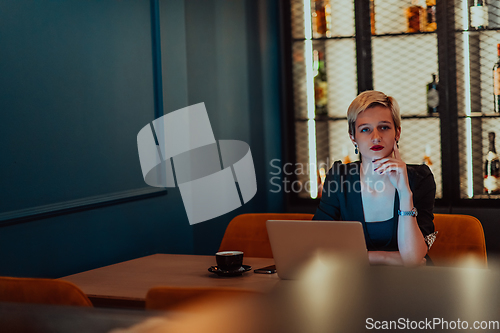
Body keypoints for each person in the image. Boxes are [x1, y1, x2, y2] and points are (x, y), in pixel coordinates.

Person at [313, 91, 437, 266]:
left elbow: (412, 259)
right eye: (365, 129)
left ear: (397, 133)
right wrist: (386, 257)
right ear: (353, 138)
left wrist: (404, 193)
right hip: (354, 283)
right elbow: (318, 246)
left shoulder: (420, 178)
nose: (376, 137)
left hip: (409, 283)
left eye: (384, 127)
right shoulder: (339, 177)